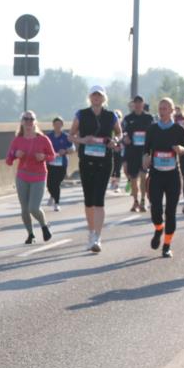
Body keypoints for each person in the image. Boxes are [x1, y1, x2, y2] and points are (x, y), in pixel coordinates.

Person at [71, 85, 122, 253]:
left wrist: (115, 141)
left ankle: (98, 238)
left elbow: (119, 134)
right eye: (94, 95)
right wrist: (84, 140)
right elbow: (71, 136)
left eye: (99, 95)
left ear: (103, 98)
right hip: (86, 161)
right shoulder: (81, 114)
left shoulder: (110, 115)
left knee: (99, 199)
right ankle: (91, 232)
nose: (96, 98)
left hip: (105, 161)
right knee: (89, 200)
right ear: (90, 97)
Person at [143, 97, 184, 258]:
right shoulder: (152, 129)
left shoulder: (179, 130)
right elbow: (146, 150)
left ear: (172, 111)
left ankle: (167, 245)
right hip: (156, 175)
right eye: (160, 108)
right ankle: (158, 229)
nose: (162, 111)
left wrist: (181, 150)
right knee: (155, 208)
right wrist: (145, 158)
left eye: (165, 108)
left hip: (172, 176)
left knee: (170, 212)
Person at [6, 111, 55, 244]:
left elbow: (52, 156)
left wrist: (44, 157)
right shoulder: (17, 140)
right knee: (24, 209)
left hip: (39, 176)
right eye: (25, 119)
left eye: (31, 119)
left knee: (33, 207)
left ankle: (44, 225)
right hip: (22, 176)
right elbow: (8, 160)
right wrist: (15, 154)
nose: (28, 122)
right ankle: (30, 234)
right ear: (21, 122)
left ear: (35, 122)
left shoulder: (43, 139)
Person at [121, 95, 153, 212]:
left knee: (143, 177)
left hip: (144, 152)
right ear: (133, 104)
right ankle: (135, 201)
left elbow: (153, 133)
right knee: (133, 179)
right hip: (132, 152)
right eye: (136, 103)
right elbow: (122, 133)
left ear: (143, 104)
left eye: (140, 103)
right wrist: (125, 138)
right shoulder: (128, 118)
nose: (138, 105)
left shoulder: (149, 118)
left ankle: (143, 201)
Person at [46, 116, 73, 211]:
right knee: (49, 184)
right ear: (53, 125)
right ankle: (53, 196)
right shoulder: (48, 136)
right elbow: (43, 147)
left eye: (59, 124)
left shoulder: (66, 136)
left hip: (62, 163)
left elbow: (72, 148)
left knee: (57, 183)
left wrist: (65, 151)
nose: (58, 126)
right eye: (56, 124)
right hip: (50, 163)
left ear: (62, 125)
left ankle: (56, 203)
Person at [110, 109, 124, 193]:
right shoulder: (110, 127)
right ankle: (112, 181)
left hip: (120, 149)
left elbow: (124, 138)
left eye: (119, 117)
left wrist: (121, 146)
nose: (118, 118)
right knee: (112, 167)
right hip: (111, 149)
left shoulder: (123, 127)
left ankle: (116, 185)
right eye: (116, 117)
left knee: (118, 168)